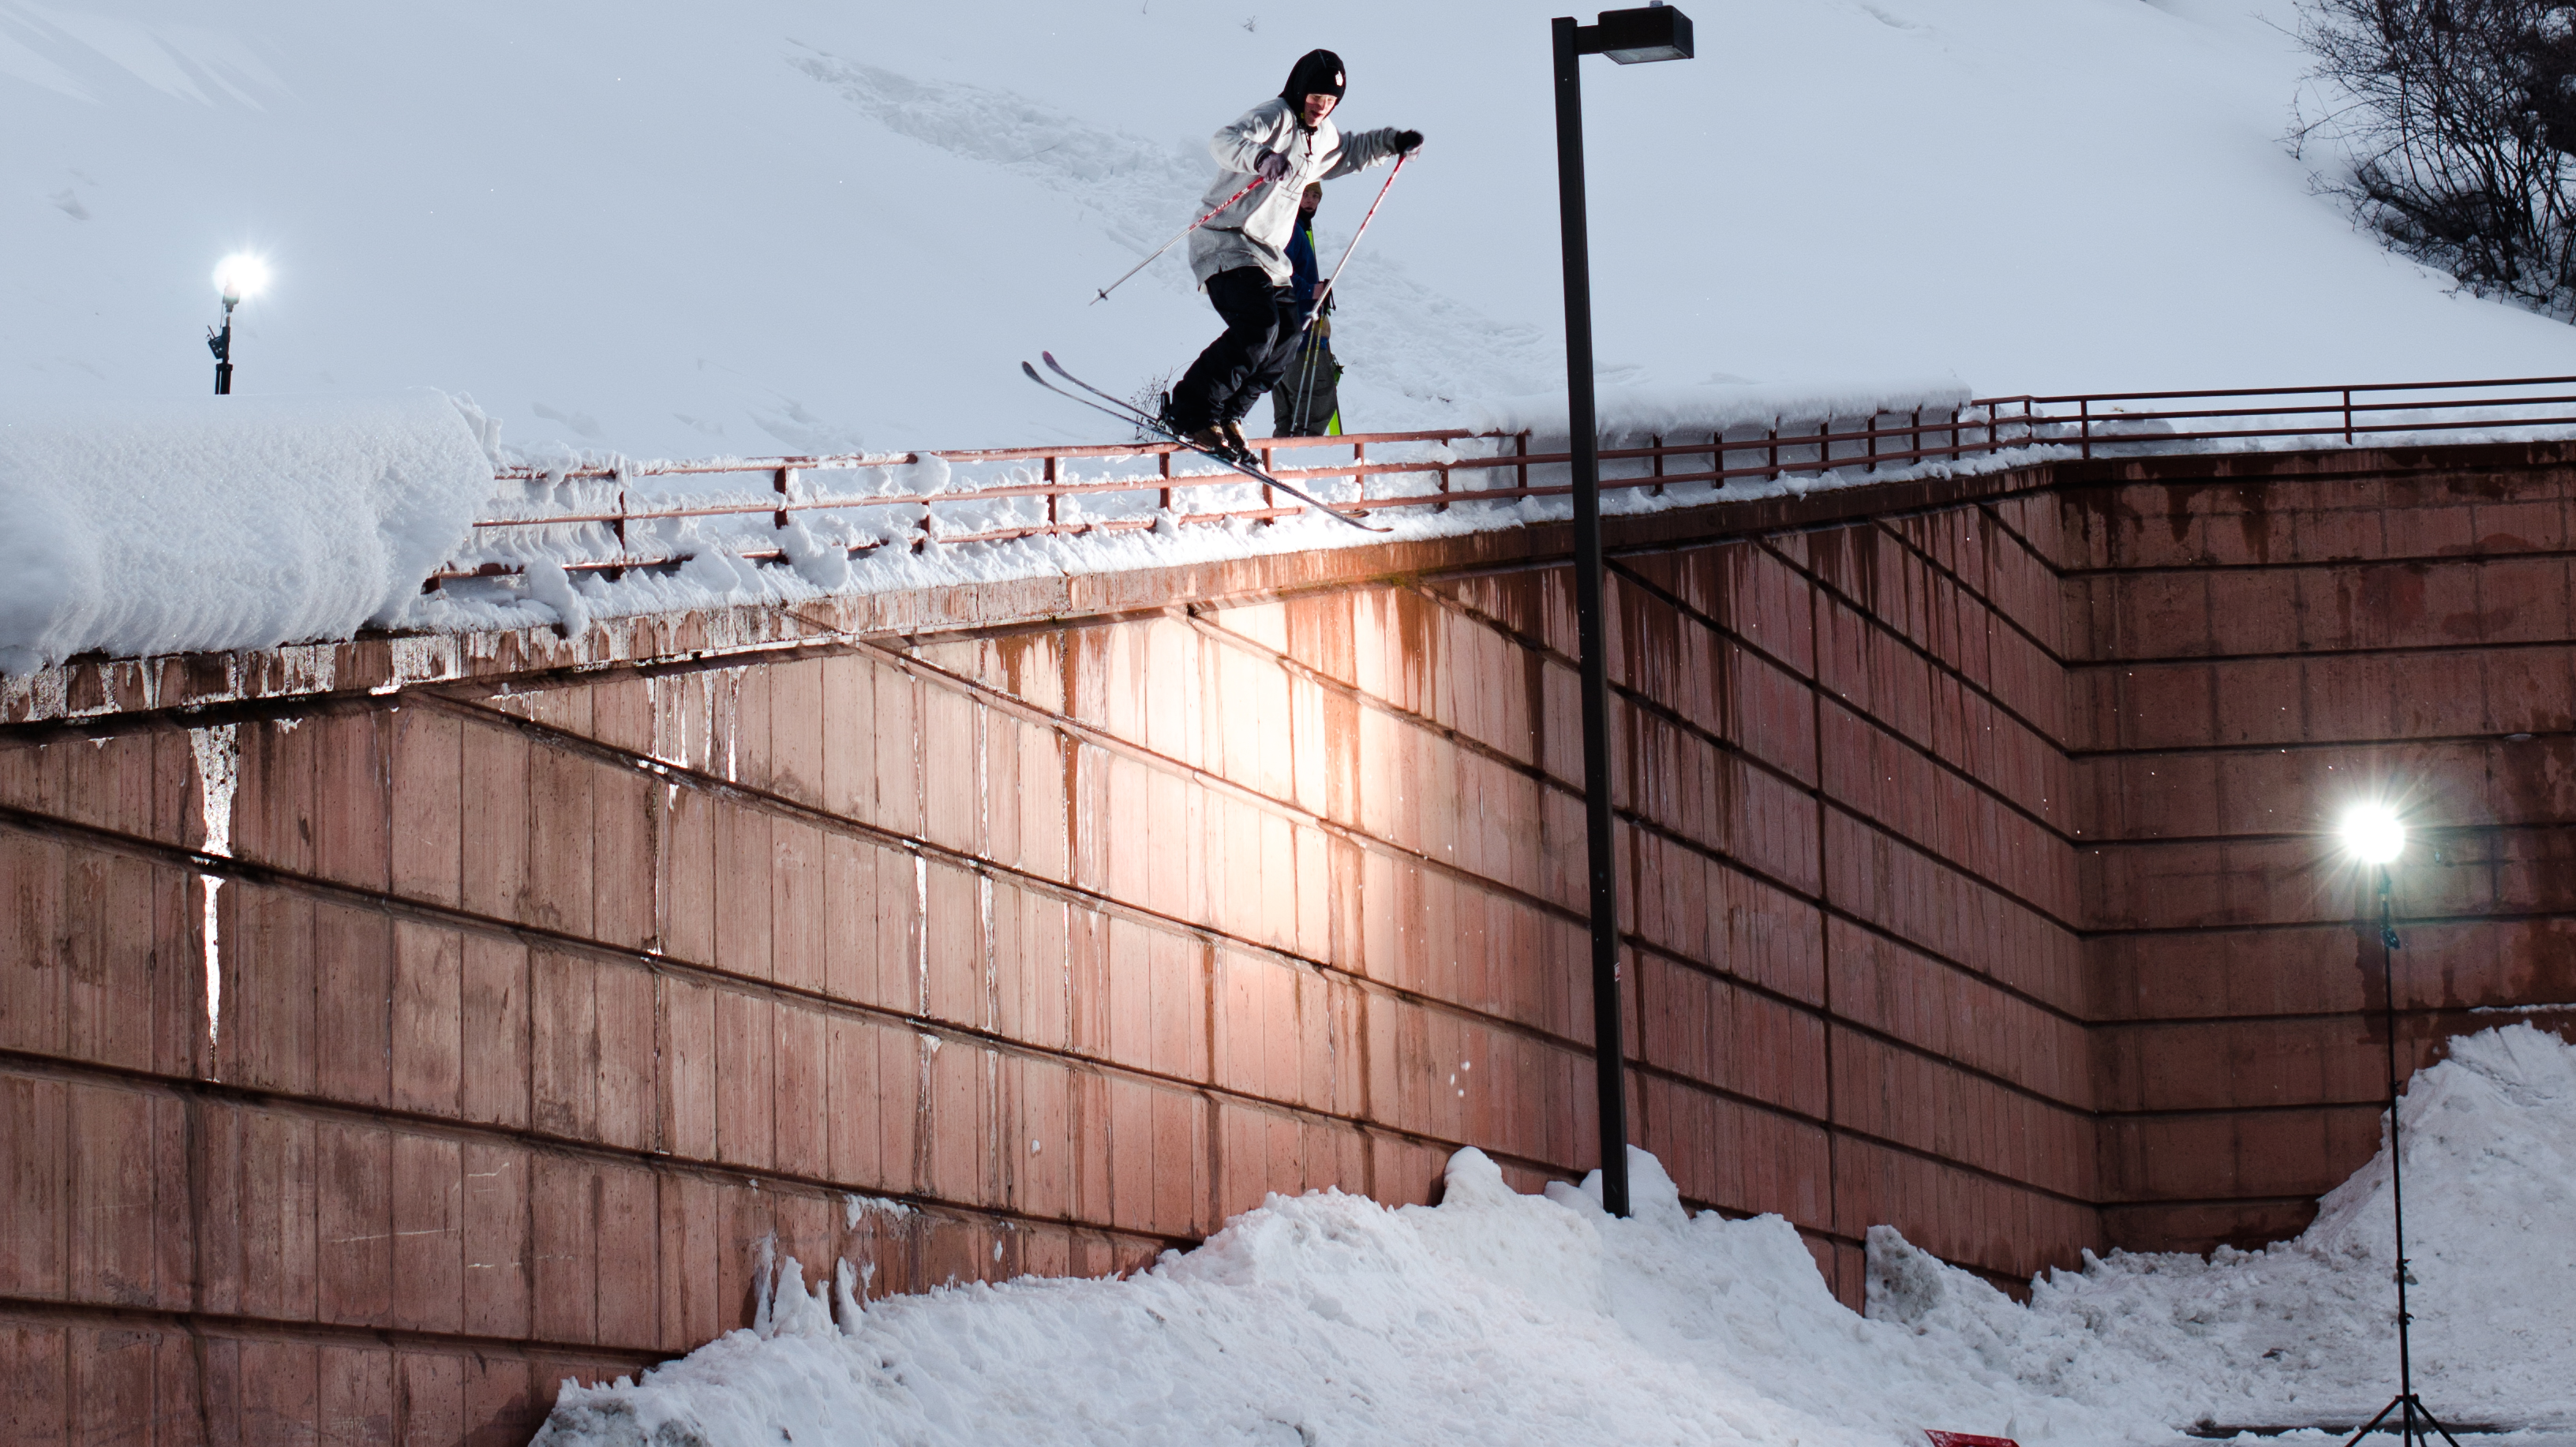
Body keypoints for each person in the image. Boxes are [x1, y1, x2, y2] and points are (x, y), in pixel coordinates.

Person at [1161, 49, 1418, 461]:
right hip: (1225, 240)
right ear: (1300, 89)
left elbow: (1348, 152)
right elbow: (1223, 141)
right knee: (1259, 325)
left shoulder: (1324, 135)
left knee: (1287, 338)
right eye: (1316, 97)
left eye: (1330, 101)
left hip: (1269, 255)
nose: (1321, 107)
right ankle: (1190, 409)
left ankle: (1227, 415)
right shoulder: (1275, 116)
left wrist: (1391, 143)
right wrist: (1262, 157)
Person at [1269, 183, 1343, 437]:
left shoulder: (1291, 227)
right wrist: (1311, 291)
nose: (1311, 202)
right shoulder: (1291, 230)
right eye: (1305, 195)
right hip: (1300, 335)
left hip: (1282, 337)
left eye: (1315, 196)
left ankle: (1278, 464)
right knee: (1316, 405)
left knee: (1287, 415)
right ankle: (1300, 462)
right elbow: (1277, 272)